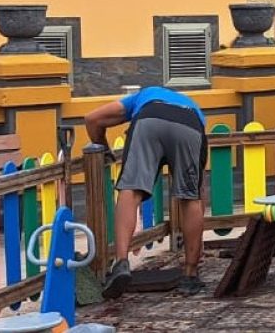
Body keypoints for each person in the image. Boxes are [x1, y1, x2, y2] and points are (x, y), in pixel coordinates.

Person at [84, 86, 208, 298]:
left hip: (148, 120)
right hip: (190, 125)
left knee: (130, 190)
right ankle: (190, 273)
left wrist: (102, 145)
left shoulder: (142, 97)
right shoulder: (191, 105)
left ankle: (121, 263)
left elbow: (92, 119)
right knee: (190, 198)